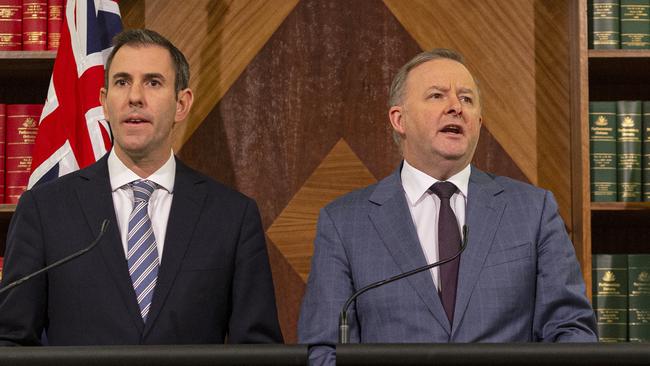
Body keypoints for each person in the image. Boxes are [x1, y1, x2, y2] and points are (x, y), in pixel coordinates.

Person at [298, 48, 597, 365]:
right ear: (400, 119)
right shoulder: (345, 222)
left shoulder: (532, 211)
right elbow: (324, 348)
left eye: (467, 99)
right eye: (437, 96)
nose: (456, 107)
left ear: (478, 123)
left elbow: (571, 330)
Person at [0, 29, 283, 345]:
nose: (135, 96)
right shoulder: (45, 209)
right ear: (105, 103)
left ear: (181, 104)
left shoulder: (232, 216)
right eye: (122, 82)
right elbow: (11, 342)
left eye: (153, 82)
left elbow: (259, 351)